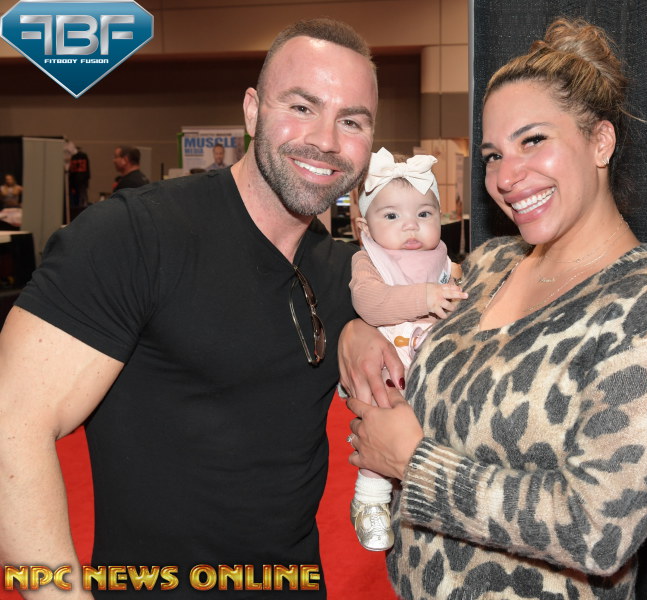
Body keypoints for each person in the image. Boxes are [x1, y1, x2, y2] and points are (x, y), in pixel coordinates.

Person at [0, 17, 397, 599]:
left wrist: (357, 327)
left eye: (352, 121)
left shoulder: (347, 274)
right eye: (302, 107)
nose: (327, 140)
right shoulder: (136, 235)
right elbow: (11, 423)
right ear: (252, 111)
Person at [342, 17, 647, 600]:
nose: (507, 176)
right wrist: (359, 330)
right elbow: (405, 309)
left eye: (533, 140)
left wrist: (414, 464)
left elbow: (597, 531)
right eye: (493, 154)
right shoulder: (490, 264)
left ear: (601, 142)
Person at [347, 147, 466, 552]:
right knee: (380, 418)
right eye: (392, 216)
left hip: (435, 374)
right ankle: (370, 498)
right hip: (389, 373)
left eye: (424, 214)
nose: (411, 226)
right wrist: (425, 297)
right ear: (365, 227)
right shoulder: (369, 261)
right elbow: (370, 302)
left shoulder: (446, 264)